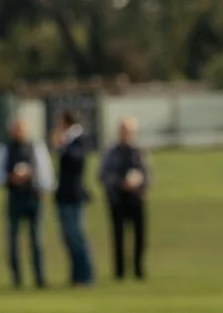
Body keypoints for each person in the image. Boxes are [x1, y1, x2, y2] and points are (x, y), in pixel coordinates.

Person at [0, 118, 54, 289]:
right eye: (16, 129)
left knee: (37, 240)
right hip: (14, 198)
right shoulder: (4, 149)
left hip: (32, 197)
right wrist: (11, 178)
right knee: (13, 240)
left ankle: (39, 276)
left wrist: (38, 184)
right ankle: (17, 278)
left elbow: (45, 173)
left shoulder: (36, 147)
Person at [100, 117, 152, 280]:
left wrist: (139, 182)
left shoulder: (139, 152)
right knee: (118, 235)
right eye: (123, 130)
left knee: (140, 235)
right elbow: (102, 174)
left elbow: (148, 173)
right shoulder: (111, 152)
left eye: (129, 131)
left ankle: (138, 269)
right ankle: (119, 271)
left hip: (136, 198)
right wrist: (119, 183)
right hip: (118, 198)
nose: (126, 134)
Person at [52, 109, 97, 285]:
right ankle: (75, 275)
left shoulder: (78, 139)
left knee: (77, 235)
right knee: (68, 237)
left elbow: (77, 160)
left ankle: (86, 275)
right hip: (63, 195)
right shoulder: (69, 141)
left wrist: (63, 145)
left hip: (74, 195)